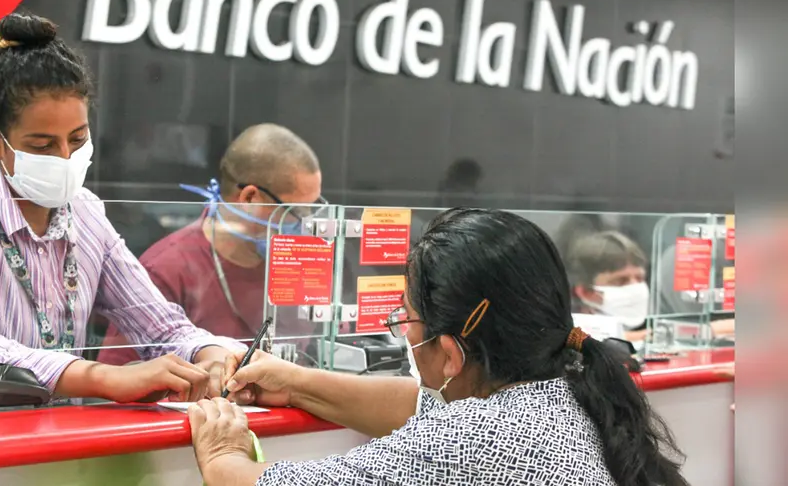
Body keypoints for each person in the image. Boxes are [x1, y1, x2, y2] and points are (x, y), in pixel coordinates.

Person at [0, 13, 243, 405]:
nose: (66, 157)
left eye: (78, 138)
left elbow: (161, 325)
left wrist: (207, 354)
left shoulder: (86, 214)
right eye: (42, 145)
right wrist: (102, 378)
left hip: (24, 443)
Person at [188, 208, 690, 486]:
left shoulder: (476, 439)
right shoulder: (568, 386)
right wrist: (296, 383)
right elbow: (423, 406)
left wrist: (221, 449)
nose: (402, 332)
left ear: (450, 352)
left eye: (405, 317)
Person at [97, 124, 324, 366]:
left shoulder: (299, 263)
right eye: (295, 211)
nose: (304, 223)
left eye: (314, 206)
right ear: (249, 198)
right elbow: (119, 379)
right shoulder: (167, 269)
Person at [565, 230, 650, 343]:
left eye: (640, 278)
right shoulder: (565, 335)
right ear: (585, 292)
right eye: (620, 281)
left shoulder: (652, 330)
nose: (636, 288)